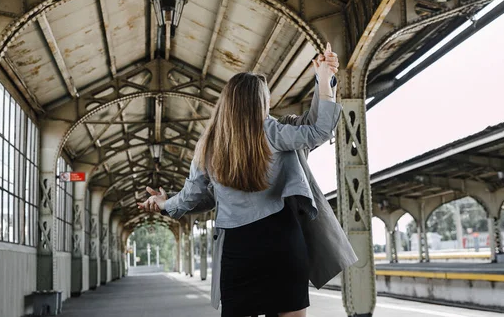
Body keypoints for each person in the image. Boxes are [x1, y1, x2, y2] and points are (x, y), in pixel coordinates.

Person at [138, 44, 349, 317]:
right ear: (260, 103)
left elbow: (190, 197)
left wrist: (164, 203)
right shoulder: (273, 131)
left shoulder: (209, 145)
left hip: (239, 248)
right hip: (282, 241)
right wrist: (323, 81)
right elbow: (318, 129)